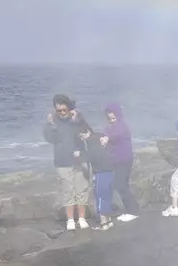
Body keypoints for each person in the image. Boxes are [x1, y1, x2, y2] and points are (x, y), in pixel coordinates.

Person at [43, 94, 91, 230]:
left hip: (80, 160)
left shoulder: (78, 118)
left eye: (65, 110)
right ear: (55, 110)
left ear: (69, 108)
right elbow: (50, 139)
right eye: (59, 110)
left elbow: (88, 133)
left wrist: (77, 121)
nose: (62, 113)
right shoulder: (53, 122)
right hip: (62, 162)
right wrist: (52, 126)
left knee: (82, 190)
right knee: (67, 191)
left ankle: (81, 218)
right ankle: (70, 220)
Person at [100, 103, 139, 223]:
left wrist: (108, 138)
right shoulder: (108, 127)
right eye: (109, 118)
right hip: (114, 160)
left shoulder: (122, 126)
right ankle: (128, 208)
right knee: (118, 184)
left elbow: (117, 135)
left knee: (120, 184)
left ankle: (133, 211)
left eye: (113, 117)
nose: (112, 120)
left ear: (118, 115)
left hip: (124, 160)